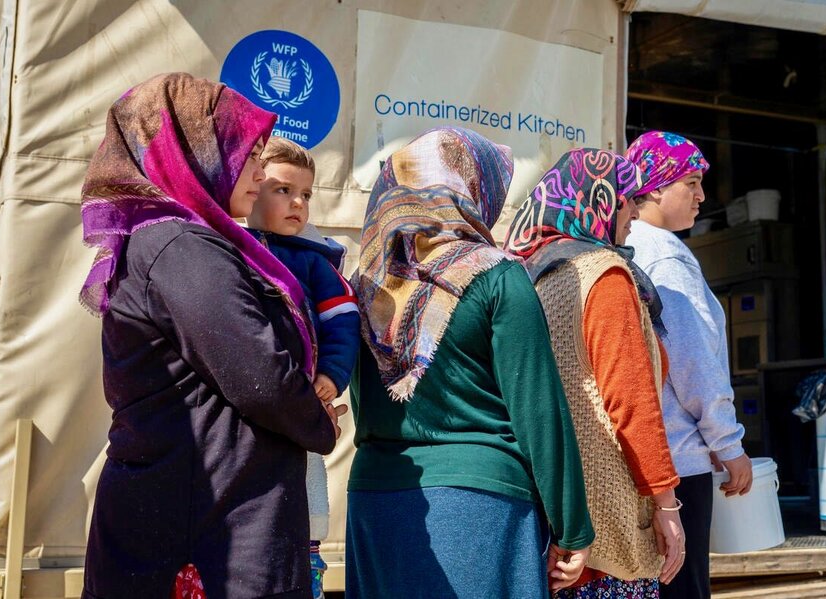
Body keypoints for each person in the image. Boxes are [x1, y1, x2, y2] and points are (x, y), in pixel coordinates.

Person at [78, 73, 346, 599]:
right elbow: (259, 376)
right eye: (244, 153)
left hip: (202, 518)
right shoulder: (181, 247)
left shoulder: (179, 241)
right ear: (192, 155)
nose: (256, 171)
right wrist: (319, 422)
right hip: (203, 532)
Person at [346, 127, 594, 598]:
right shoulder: (496, 276)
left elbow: (362, 398)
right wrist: (573, 528)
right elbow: (539, 410)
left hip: (375, 502)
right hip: (477, 506)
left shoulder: (365, 283)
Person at [504, 148, 685, 599]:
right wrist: (666, 504)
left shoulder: (530, 273)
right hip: (608, 511)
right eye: (627, 200)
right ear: (602, 200)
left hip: (551, 509)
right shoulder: (603, 275)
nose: (633, 213)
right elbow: (631, 402)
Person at [625, 131, 752, 599]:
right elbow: (693, 363)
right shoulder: (666, 257)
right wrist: (728, 441)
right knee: (683, 585)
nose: (701, 196)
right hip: (679, 460)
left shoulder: (628, 245)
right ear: (655, 187)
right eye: (691, 182)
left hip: (644, 457)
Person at [245, 137, 360, 599]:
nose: (297, 203)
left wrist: (331, 375)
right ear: (251, 189)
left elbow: (343, 320)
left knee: (303, 508)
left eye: (306, 195)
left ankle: (303, 576)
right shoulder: (225, 249)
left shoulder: (314, 261)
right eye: (282, 191)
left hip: (299, 407)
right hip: (246, 412)